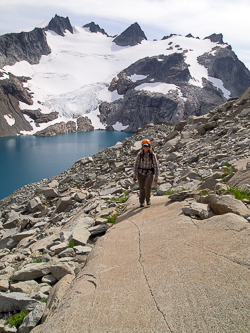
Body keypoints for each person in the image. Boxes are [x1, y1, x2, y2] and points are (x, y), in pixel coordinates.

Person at [133, 139, 159, 207]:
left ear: (149, 146)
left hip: (149, 172)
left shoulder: (152, 154)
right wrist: (135, 175)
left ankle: (148, 200)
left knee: (148, 186)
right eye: (144, 146)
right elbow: (136, 165)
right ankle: (141, 202)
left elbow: (156, 166)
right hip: (140, 173)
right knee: (142, 188)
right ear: (142, 146)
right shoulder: (140, 154)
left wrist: (156, 176)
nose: (145, 147)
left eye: (147, 146)